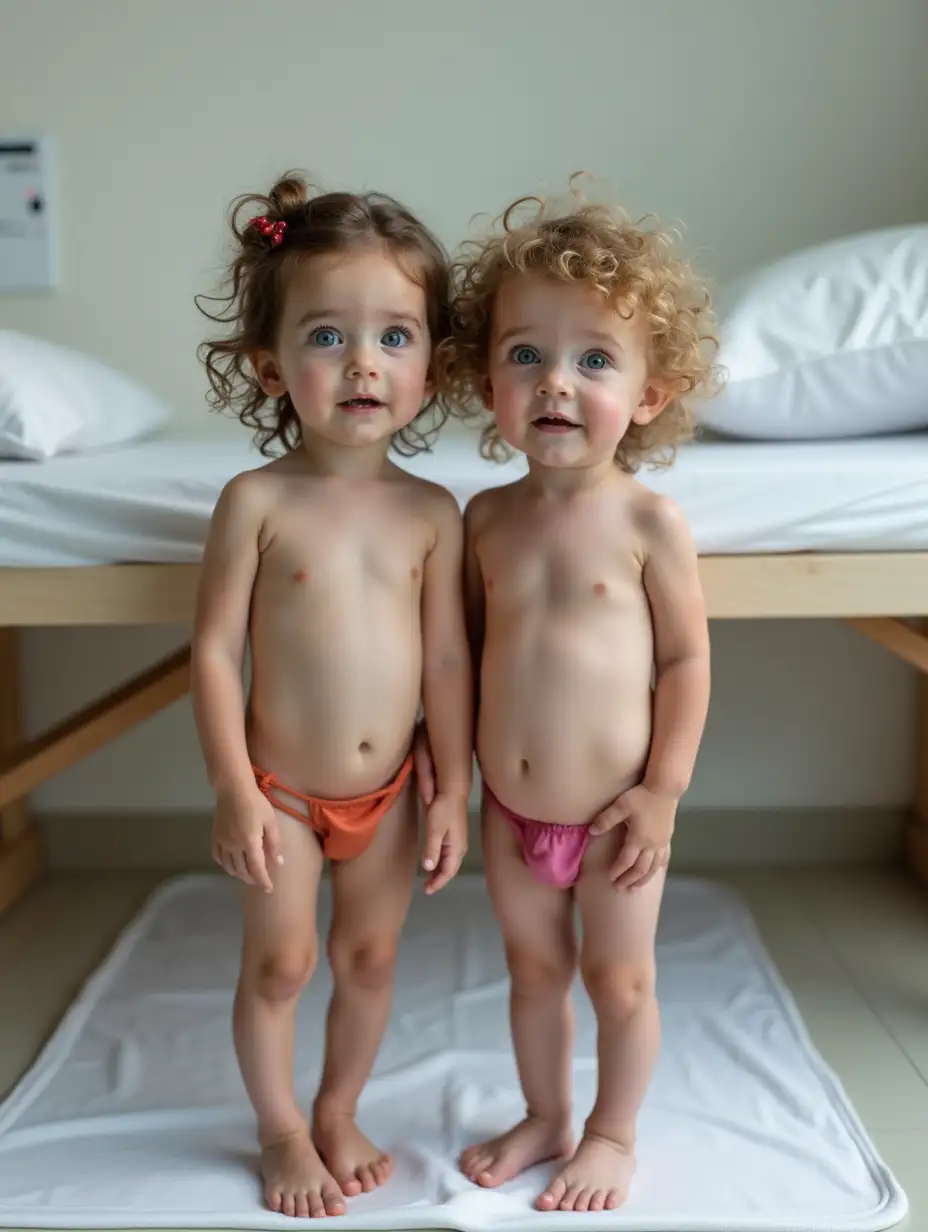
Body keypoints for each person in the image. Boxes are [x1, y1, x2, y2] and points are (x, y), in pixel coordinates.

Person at [427, 188, 717, 1212]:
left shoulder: (649, 520)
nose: (557, 381)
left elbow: (684, 663)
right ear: (484, 377)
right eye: (526, 355)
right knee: (533, 970)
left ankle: (611, 1130)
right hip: (511, 813)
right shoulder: (482, 519)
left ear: (650, 390)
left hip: (616, 814)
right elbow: (457, 654)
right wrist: (448, 783)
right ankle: (547, 1112)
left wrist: (664, 791)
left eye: (595, 359)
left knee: (618, 979)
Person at [192, 173, 472, 1219]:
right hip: (282, 789)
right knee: (281, 959)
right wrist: (233, 785)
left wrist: (451, 790)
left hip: (393, 787)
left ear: (430, 365)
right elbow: (216, 653)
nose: (363, 362)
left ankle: (339, 1105)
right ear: (270, 367)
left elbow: (447, 662)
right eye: (326, 336)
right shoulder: (255, 501)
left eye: (395, 336)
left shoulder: (433, 511)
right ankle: (279, 1128)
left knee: (367, 954)